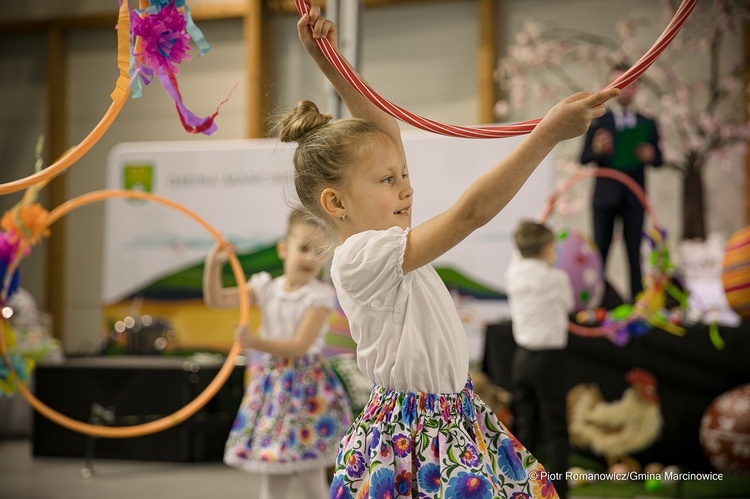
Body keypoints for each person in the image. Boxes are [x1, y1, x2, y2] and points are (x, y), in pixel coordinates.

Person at [280, 3, 619, 497]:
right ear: (335, 203)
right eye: (388, 180)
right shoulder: (360, 257)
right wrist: (545, 135)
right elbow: (470, 213)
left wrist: (329, 61)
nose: (406, 189)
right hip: (413, 433)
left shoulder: (387, 246)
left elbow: (387, 132)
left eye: (405, 176)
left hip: (453, 416)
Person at [202, 208, 352, 499]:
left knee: (311, 476)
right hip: (274, 390)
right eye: (304, 248)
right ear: (284, 249)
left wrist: (255, 342)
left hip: (308, 390)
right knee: (273, 472)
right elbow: (216, 299)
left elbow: (298, 346)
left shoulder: (319, 296)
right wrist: (213, 265)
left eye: (318, 251)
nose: (310, 258)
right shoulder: (266, 288)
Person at [580, 64, 663, 300]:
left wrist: (651, 155)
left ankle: (638, 302)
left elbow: (659, 159)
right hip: (604, 197)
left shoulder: (647, 122)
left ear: (636, 88)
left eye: (630, 84)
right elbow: (583, 157)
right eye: (619, 85)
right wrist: (596, 149)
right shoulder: (597, 121)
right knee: (600, 253)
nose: (624, 90)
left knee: (634, 252)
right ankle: (597, 302)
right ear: (609, 89)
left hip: (634, 197)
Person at [505, 220, 575, 499]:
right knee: (556, 428)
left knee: (525, 427)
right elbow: (570, 305)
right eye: (554, 247)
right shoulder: (556, 279)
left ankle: (519, 488)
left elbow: (518, 255)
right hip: (549, 360)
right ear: (547, 248)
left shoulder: (512, 274)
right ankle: (559, 490)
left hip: (521, 359)